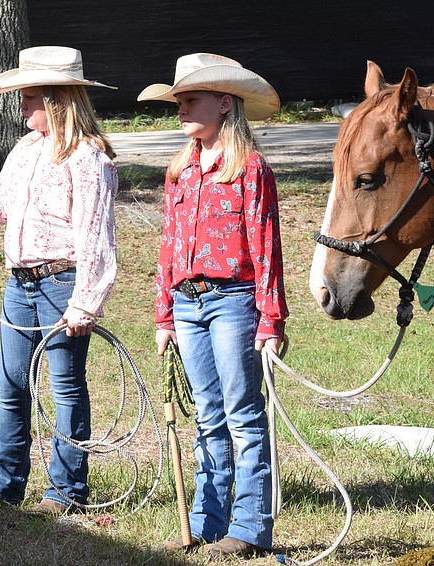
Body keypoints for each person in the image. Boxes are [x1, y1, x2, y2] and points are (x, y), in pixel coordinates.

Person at [0, 46, 118, 515]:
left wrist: (85, 301)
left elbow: (95, 234)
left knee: (65, 386)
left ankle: (66, 491)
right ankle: (4, 483)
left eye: (30, 98)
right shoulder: (25, 149)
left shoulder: (89, 158)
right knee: (11, 383)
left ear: (57, 101)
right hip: (21, 283)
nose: (22, 107)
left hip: (61, 282)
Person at [138, 53, 288, 557]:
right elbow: (168, 245)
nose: (181, 110)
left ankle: (248, 529)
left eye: (191, 100)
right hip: (188, 304)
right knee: (206, 416)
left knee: (243, 414)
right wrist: (164, 314)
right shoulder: (179, 171)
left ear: (225, 103)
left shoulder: (250, 169)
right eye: (178, 101)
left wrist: (271, 321)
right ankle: (206, 520)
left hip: (233, 301)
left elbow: (266, 248)